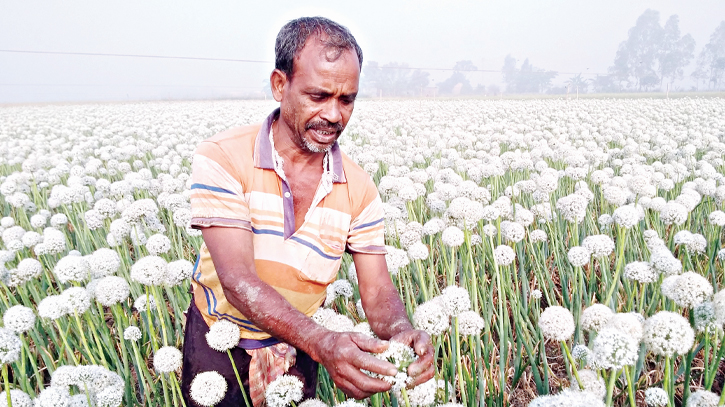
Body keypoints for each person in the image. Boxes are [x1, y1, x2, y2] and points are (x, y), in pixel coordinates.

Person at [181, 16, 434, 406]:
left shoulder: (360, 187)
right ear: (280, 85)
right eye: (318, 96)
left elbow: (378, 289)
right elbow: (237, 279)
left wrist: (401, 331)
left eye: (347, 99)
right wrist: (321, 341)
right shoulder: (223, 156)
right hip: (219, 341)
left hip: (302, 348)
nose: (334, 115)